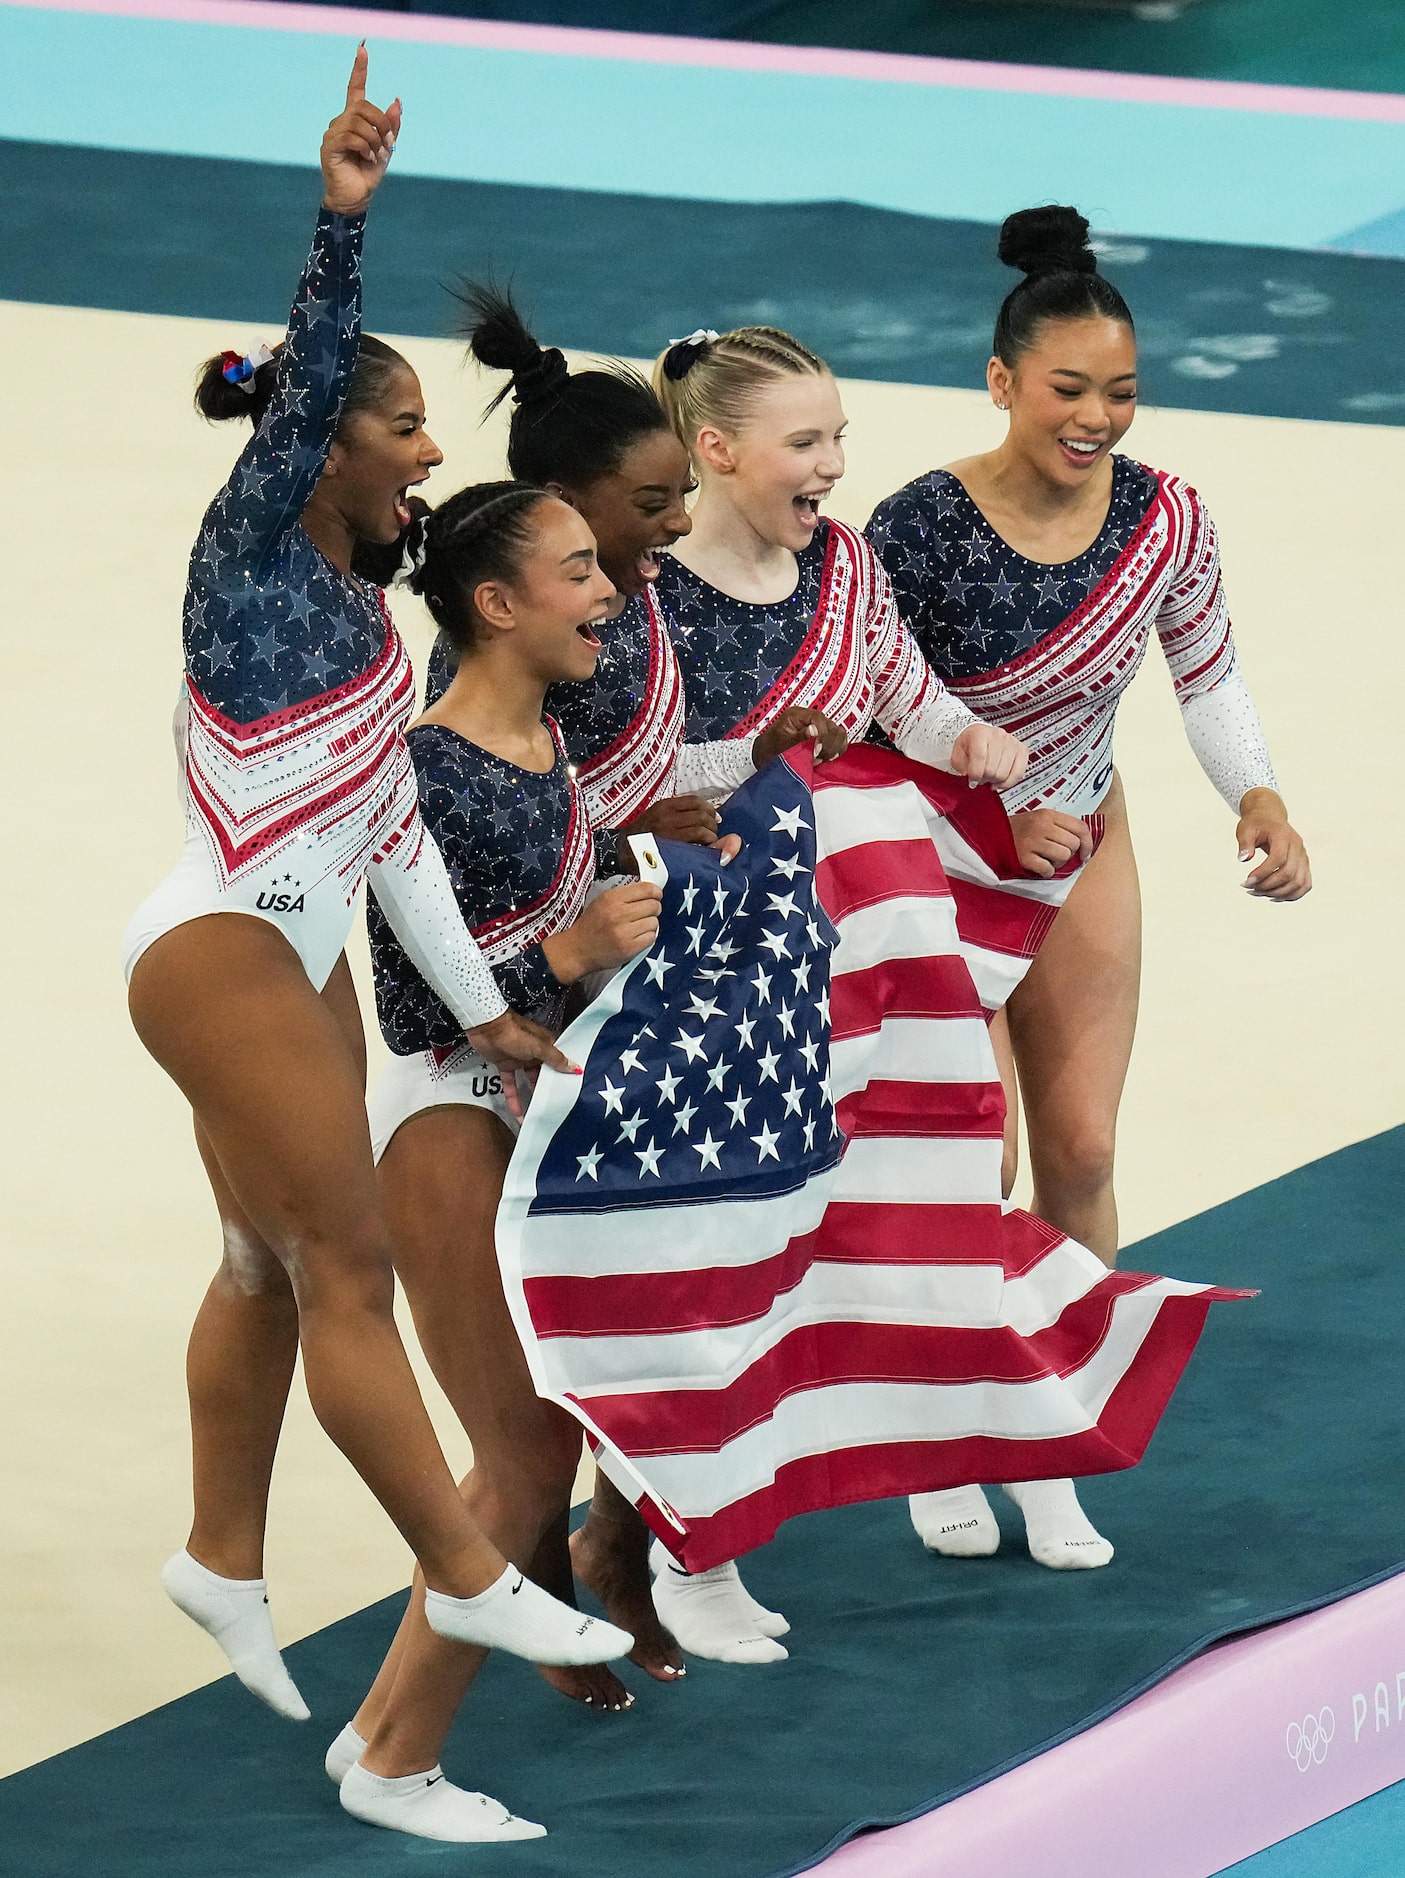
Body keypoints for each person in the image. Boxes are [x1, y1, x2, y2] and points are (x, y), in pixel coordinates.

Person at [122, 51, 630, 1777]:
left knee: (265, 1263)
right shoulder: (251, 552)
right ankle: (471, 1566)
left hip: (299, 946)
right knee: (348, 1269)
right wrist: (342, 222)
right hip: (221, 946)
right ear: (316, 437)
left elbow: (396, 830)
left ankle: (219, 1556)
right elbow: (307, 384)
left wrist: (488, 1002)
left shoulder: (349, 614)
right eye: (400, 429)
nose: (424, 455)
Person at [327, 481, 831, 1839]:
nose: (607, 589)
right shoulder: (422, 769)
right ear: (495, 605)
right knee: (519, 1452)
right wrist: (558, 955)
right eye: (573, 572)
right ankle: (394, 1764)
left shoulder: (546, 731)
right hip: (446, 1111)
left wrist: (745, 768)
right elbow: (413, 999)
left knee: (547, 1434)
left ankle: (378, 1727)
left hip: (545, 1107)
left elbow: (627, 815)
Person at [389, 291, 839, 1672]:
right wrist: (564, 950)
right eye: (635, 513)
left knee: (626, 1338)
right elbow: (428, 964)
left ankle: (600, 1561)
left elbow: (613, 783)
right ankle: (458, 1669)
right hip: (465, 1070)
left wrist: (746, 757)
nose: (656, 539)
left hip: (576, 1043)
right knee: (524, 1412)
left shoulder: (601, 632)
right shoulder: (444, 750)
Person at [865, 204, 1310, 1569]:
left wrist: (1258, 791)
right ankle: (938, 1425)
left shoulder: (1165, 517)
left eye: (1120, 391)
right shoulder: (916, 527)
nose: (1097, 417)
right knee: (962, 1164)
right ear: (999, 381)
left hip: (1081, 842)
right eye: (1068, 390)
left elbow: (1206, 669)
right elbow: (871, 704)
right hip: (927, 856)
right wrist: (990, 804)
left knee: (1083, 1153)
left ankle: (1055, 1429)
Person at [646, 320, 1031, 1653]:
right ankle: (687, 1551)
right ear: (716, 449)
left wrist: (965, 737)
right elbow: (633, 781)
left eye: (838, 438)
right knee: (722, 1258)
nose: (832, 464)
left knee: (889, 1214)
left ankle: (916, 1450)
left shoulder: (846, 564)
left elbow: (905, 695)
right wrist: (760, 769)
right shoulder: (647, 592)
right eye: (805, 442)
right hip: (717, 966)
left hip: (857, 950)